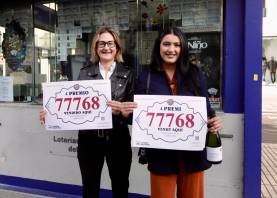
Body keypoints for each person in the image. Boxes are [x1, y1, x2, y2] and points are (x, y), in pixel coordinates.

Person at [121, 26, 223, 198]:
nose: (171, 49)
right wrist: (127, 113)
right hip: (161, 157)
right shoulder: (146, 76)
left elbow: (206, 109)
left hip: (193, 156)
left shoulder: (195, 72)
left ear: (182, 48)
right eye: (166, 44)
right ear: (158, 46)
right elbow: (138, 115)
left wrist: (214, 121)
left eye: (177, 45)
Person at [40, 27, 135, 198]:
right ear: (96, 47)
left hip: (118, 139)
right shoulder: (84, 73)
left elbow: (135, 115)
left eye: (110, 43)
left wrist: (123, 111)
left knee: (121, 187)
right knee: (90, 189)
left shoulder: (128, 74)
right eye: (102, 43)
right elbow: (72, 103)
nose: (106, 47)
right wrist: (51, 113)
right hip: (89, 141)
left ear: (117, 47)